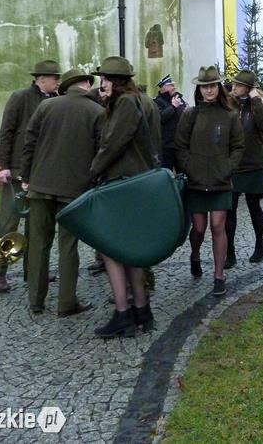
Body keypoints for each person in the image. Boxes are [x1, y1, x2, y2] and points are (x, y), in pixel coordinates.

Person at [89, 56, 161, 338]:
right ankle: (141, 310)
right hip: (131, 183)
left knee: (112, 248)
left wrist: (92, 173)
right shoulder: (130, 101)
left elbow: (111, 145)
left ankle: (123, 313)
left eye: (104, 78)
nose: (101, 83)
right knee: (129, 251)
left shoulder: (125, 104)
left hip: (124, 184)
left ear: (113, 81)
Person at [20, 68, 101, 317]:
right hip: (74, 191)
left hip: (40, 186)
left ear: (65, 86)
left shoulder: (46, 107)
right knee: (68, 246)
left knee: (39, 244)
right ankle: (66, 303)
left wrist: (26, 177)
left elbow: (29, 143)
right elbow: (101, 153)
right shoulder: (97, 112)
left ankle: (36, 300)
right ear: (86, 84)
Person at [0, 59, 60, 293]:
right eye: (54, 77)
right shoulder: (20, 97)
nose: (58, 81)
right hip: (18, 172)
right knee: (9, 224)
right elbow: (6, 132)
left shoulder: (57, 101)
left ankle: (34, 272)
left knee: (37, 226)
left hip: (43, 174)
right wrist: (3, 165)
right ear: (41, 79)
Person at [176, 65, 245, 297]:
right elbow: (180, 146)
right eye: (205, 86)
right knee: (199, 228)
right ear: (199, 89)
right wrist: (189, 168)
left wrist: (228, 168)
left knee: (218, 226)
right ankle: (194, 255)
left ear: (219, 87)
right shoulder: (190, 115)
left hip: (220, 181)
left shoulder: (230, 115)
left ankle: (218, 276)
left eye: (213, 86)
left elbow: (238, 147)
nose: (209, 91)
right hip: (196, 182)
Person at [225, 70, 263, 267]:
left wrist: (256, 102)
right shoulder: (228, 104)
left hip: (253, 163)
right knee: (230, 210)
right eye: (233, 84)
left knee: (254, 207)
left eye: (238, 85)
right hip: (233, 165)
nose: (233, 88)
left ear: (249, 88)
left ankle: (260, 245)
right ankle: (230, 253)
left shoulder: (259, 104)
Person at [154, 74, 186, 171]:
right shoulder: (157, 102)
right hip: (166, 146)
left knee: (182, 173)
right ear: (163, 87)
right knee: (166, 172)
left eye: (173, 85)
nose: (174, 87)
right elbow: (160, 118)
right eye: (171, 85)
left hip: (179, 144)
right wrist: (173, 107)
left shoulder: (178, 98)